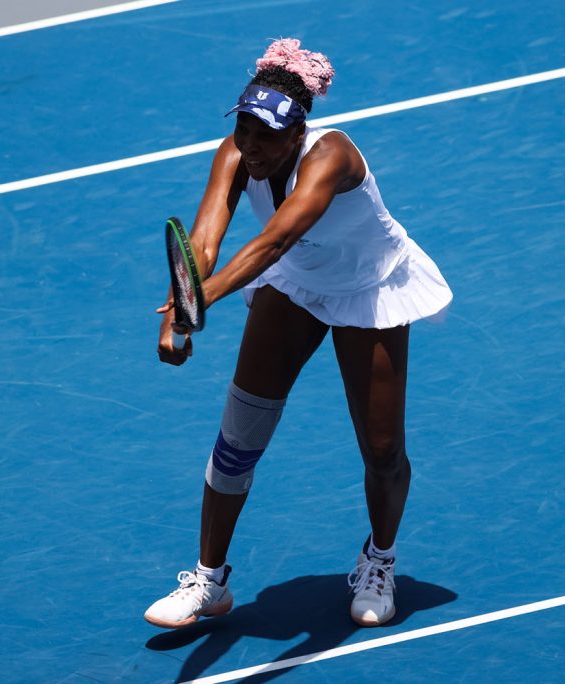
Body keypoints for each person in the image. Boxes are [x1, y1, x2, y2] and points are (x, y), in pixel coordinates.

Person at [145, 39, 452, 629]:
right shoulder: (234, 154)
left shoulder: (331, 155)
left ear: (298, 132)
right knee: (238, 438)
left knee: (383, 449)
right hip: (294, 287)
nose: (251, 146)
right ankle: (209, 579)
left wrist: (197, 302)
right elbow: (202, 244)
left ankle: (379, 560)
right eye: (244, 129)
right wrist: (178, 306)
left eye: (267, 135)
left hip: (369, 289)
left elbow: (274, 240)